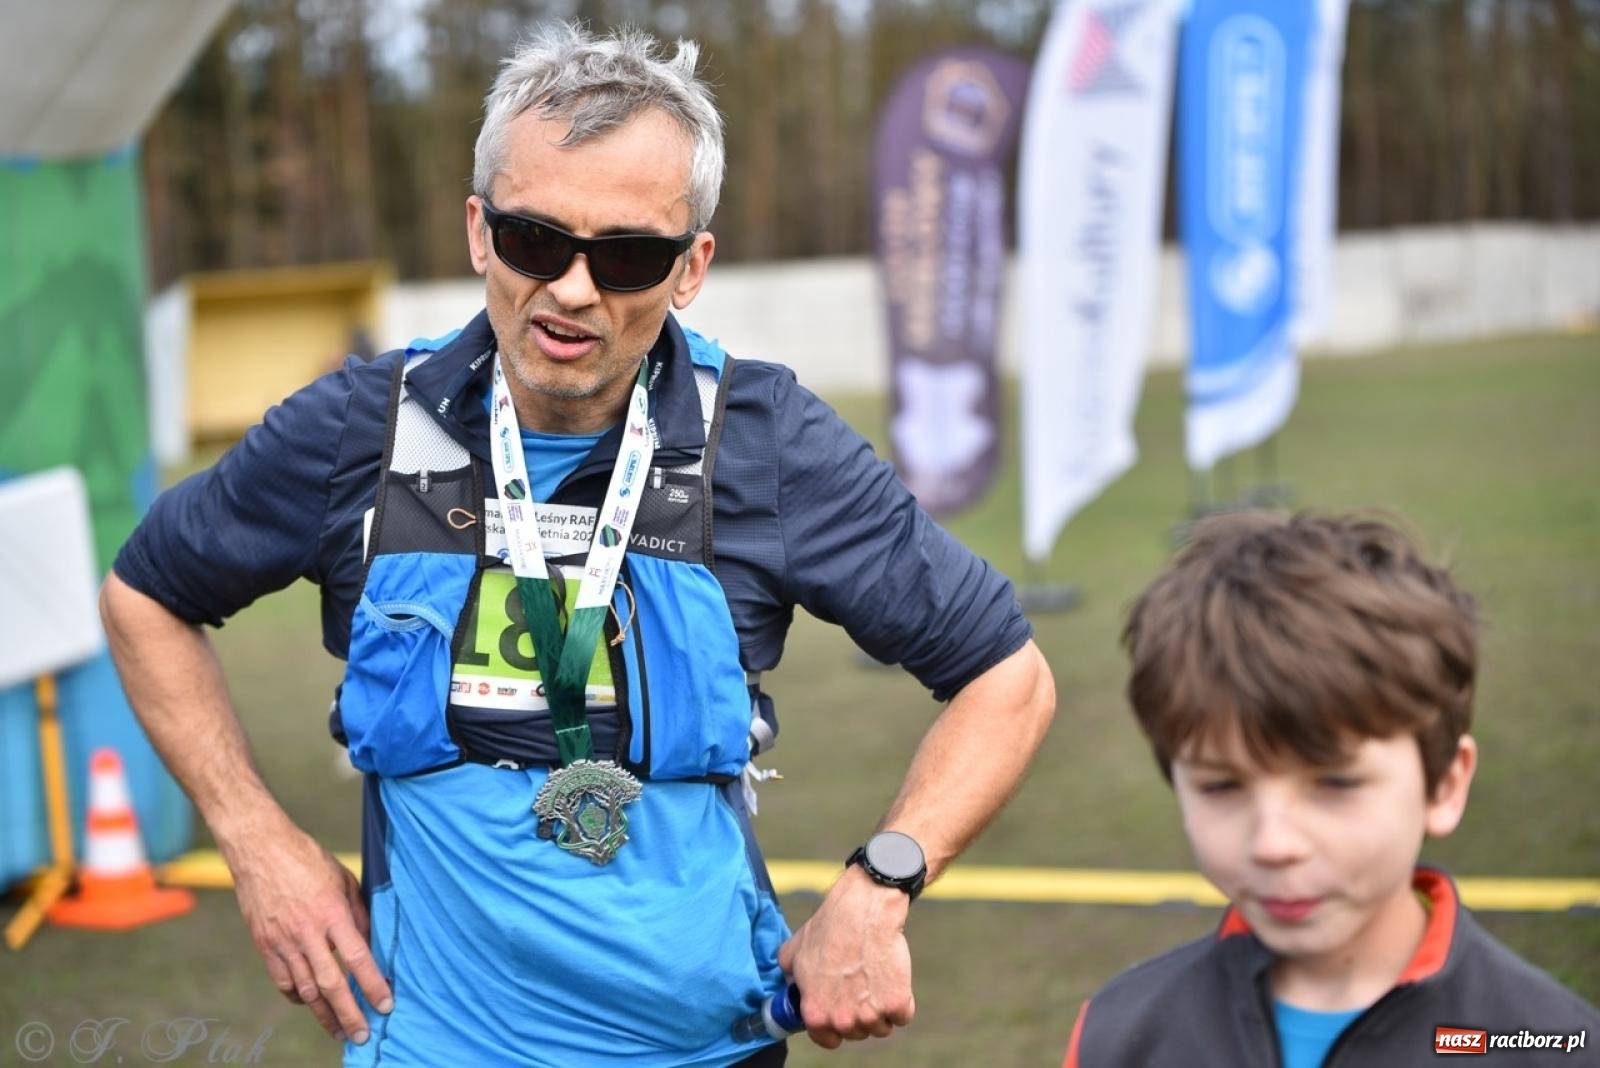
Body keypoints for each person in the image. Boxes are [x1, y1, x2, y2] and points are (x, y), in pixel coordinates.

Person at [101, 21, 1055, 1068]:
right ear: (477, 231)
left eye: (629, 256)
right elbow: (146, 596)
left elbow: (1007, 678)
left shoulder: (765, 440)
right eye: (533, 240)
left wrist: (881, 886)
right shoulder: (362, 429)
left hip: (707, 1049)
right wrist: (254, 842)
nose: (570, 290)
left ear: (690, 268)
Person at [1063, 512, 1600, 1067]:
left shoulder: (1552, 1044)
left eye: (1335, 783)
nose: (1274, 844)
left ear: (1444, 784)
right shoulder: (1121, 1035)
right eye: (1222, 786)